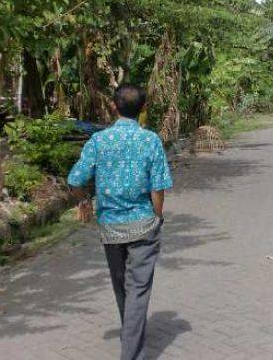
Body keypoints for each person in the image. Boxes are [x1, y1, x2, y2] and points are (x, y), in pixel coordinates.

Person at [68, 84, 173, 360]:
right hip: (143, 225)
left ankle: (131, 339)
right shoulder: (150, 140)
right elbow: (158, 188)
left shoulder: (99, 141)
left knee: (121, 286)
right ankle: (132, 350)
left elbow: (75, 179)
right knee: (138, 289)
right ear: (143, 108)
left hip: (111, 228)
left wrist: (84, 202)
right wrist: (157, 217)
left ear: (114, 107)